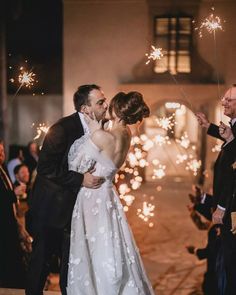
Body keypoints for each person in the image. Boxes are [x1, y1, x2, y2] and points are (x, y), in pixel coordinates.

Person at [67, 91, 154, 295]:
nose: (106, 107)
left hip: (91, 196)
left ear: (116, 110)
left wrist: (91, 134)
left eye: (110, 105)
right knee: (111, 245)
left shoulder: (101, 136)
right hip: (109, 194)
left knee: (92, 247)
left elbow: (75, 164)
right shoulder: (127, 135)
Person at [25, 84, 107, 295]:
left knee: (71, 268)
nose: (105, 105)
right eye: (100, 102)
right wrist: (81, 180)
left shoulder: (103, 127)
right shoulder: (62, 129)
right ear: (85, 108)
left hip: (78, 211)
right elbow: (46, 168)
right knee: (41, 263)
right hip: (50, 210)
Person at [0, 141, 32, 288]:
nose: (2, 155)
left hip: (10, 222)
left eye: (2, 151)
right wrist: (14, 193)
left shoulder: (2, 169)